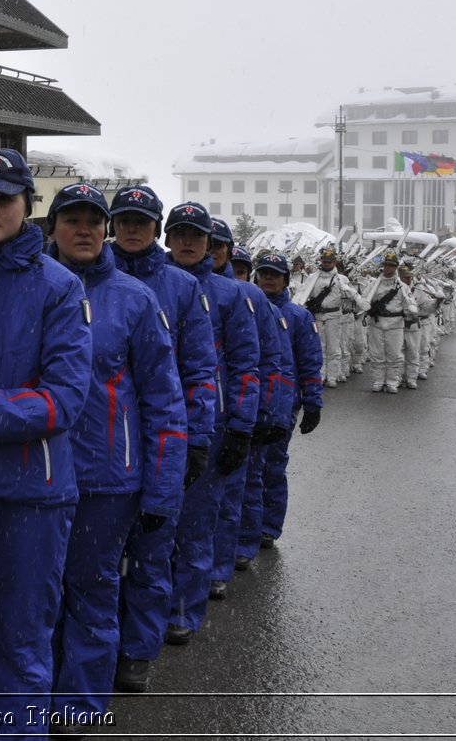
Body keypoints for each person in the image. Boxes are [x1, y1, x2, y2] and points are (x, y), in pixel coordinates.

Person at [0, 148, 92, 739]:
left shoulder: (59, 287)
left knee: (24, 642)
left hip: (32, 494)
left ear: (28, 207)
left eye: (2, 199)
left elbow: (61, 400)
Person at [45, 184, 184, 731]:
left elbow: (165, 398)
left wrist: (163, 488)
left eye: (92, 221)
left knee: (92, 593)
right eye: (71, 219)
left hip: (107, 481)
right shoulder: (34, 289)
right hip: (36, 476)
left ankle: (79, 712)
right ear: (51, 226)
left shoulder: (134, 298)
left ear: (105, 230)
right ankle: (39, 703)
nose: (84, 229)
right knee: (37, 600)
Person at [107, 185, 218, 694]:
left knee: (152, 552)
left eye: (142, 220)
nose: (132, 228)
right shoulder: (75, 279)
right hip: (100, 438)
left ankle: (136, 650)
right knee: (94, 560)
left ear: (156, 230)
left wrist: (196, 439)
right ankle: (96, 648)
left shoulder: (180, 287)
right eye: (124, 219)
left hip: (158, 435)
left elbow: (199, 370)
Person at [162, 203, 259, 647]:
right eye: (178, 232)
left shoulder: (232, 294)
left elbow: (246, 365)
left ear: (211, 245)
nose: (186, 242)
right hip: (155, 422)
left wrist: (241, 426)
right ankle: (147, 609)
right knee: (154, 524)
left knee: (197, 523)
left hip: (209, 423)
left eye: (196, 235)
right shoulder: (151, 286)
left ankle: (183, 609)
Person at [214, 240, 294, 590]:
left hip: (236, 411)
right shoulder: (179, 286)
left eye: (219, 246)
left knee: (242, 487)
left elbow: (268, 363)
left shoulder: (250, 299)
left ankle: (241, 547)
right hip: (198, 413)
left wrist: (268, 414)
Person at [245, 251, 323, 555]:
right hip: (251, 401)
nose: (268, 279)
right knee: (247, 470)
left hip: (283, 406)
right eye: (263, 273)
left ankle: (268, 527)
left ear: (286, 280)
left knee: (271, 468)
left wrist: (313, 402)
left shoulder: (299, 317)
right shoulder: (246, 308)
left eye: (274, 275)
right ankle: (245, 527)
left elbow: (310, 363)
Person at [293, 246, 361, 388]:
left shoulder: (341, 279)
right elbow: (302, 293)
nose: (327, 264)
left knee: (334, 348)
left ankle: (332, 376)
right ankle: (321, 375)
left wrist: (349, 294)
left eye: (329, 262)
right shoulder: (313, 278)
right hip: (317, 315)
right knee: (319, 347)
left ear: (334, 262)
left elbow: (353, 296)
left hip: (334, 316)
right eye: (324, 262)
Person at [362, 250, 416, 393]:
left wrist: (411, 309)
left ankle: (392, 381)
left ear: (396, 267)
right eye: (386, 265)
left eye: (391, 266)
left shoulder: (402, 287)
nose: (388, 268)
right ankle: (378, 381)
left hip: (395, 324)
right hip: (377, 322)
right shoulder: (374, 285)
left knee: (394, 354)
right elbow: (364, 300)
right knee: (376, 354)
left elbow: (409, 302)